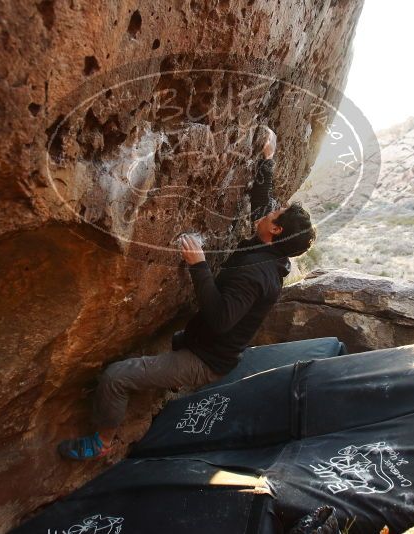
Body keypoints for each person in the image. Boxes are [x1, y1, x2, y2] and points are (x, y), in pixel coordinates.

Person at [57, 126, 317, 459]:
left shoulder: (256, 272)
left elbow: (221, 319)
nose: (270, 211)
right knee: (168, 349)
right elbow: (262, 203)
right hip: (203, 343)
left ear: (276, 230)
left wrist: (199, 266)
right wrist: (267, 159)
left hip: (206, 360)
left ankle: (102, 442)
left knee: (116, 377)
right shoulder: (270, 248)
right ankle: (163, 375)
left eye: (275, 215)